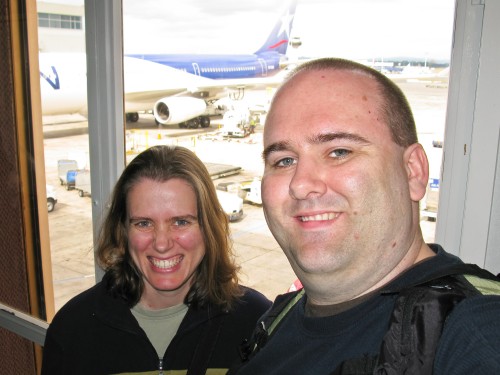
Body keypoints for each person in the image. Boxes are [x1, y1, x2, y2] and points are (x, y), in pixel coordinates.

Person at [229, 58, 500, 374]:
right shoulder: (277, 319)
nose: (301, 184)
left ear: (413, 172)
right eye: (284, 160)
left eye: (339, 152)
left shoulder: (472, 331)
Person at [42, 145, 271, 375]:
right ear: (123, 231)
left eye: (180, 222)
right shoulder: (72, 330)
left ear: (208, 227)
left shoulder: (257, 323)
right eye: (143, 223)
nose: (162, 244)